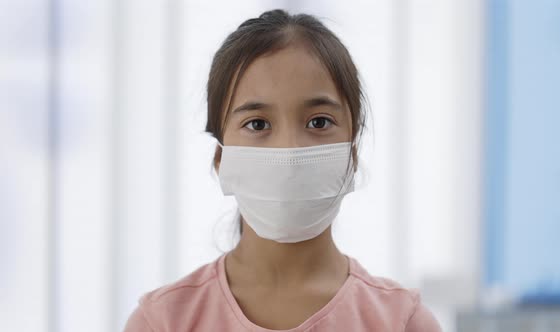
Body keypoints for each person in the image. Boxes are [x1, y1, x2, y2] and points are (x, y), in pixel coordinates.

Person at [124, 9, 442, 332]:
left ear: (352, 155)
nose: (289, 150)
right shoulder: (162, 322)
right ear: (221, 159)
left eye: (319, 122)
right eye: (257, 124)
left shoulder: (404, 323)